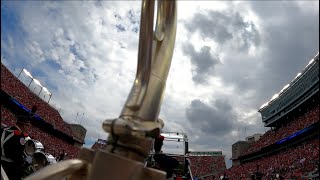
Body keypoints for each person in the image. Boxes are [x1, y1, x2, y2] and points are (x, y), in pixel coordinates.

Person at [1, 106, 37, 180]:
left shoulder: (5, 129)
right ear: (24, 125)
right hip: (7, 170)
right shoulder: (20, 137)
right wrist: (27, 162)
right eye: (28, 126)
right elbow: (18, 161)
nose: (29, 129)